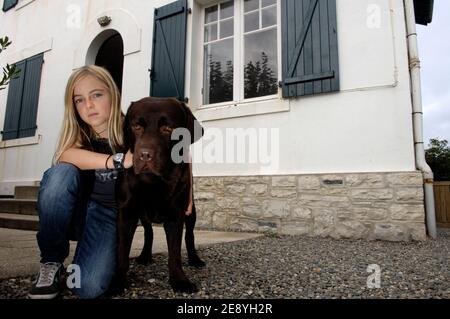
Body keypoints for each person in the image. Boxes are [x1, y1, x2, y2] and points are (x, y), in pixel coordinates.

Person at [28, 65, 193, 299]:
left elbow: (181, 149)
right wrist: (117, 160)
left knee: (88, 288)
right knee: (58, 176)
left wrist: (189, 192)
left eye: (96, 95)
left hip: (107, 215)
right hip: (77, 210)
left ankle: (82, 262)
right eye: (79, 100)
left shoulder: (134, 125)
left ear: (113, 95)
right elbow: (65, 156)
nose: (89, 105)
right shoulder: (79, 135)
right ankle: (51, 262)